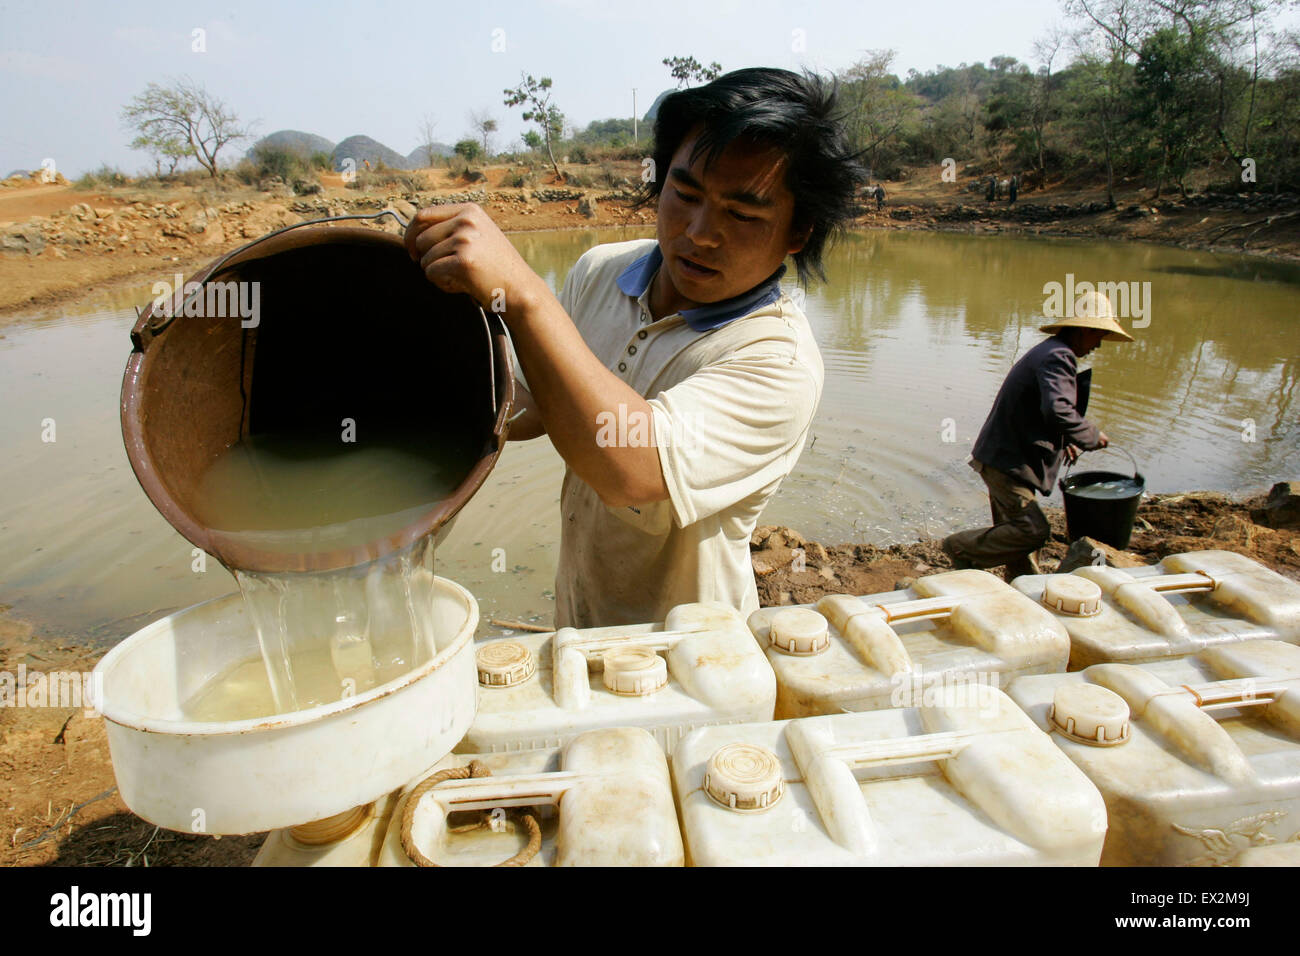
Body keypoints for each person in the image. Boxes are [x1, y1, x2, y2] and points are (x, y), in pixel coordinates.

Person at [405, 68, 866, 627]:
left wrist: (524, 295)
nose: (699, 232)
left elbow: (629, 471)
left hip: (690, 654)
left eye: (742, 214)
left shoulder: (775, 359)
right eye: (685, 192)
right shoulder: (603, 270)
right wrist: (423, 390)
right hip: (581, 617)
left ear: (799, 233)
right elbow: (532, 401)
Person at [942, 291, 1134, 580]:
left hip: (1004, 456)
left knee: (1016, 537)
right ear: (1086, 329)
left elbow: (1040, 408)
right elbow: (1057, 408)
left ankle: (1020, 585)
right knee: (1032, 531)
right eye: (1099, 336)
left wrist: (1066, 438)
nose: (1098, 345)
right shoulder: (1059, 356)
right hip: (1008, 462)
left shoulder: (1050, 351)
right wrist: (1090, 435)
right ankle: (958, 548)